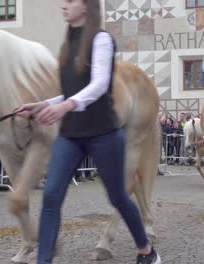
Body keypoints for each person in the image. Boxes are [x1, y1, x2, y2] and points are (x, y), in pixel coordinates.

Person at [17, 1, 161, 263]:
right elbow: (73, 90)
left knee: (117, 196)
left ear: (85, 7)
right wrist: (45, 104)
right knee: (51, 195)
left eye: (71, 1)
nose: (64, 5)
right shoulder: (67, 43)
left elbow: (98, 85)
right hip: (71, 134)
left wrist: (65, 106)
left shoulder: (101, 39)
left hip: (103, 132)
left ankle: (145, 249)